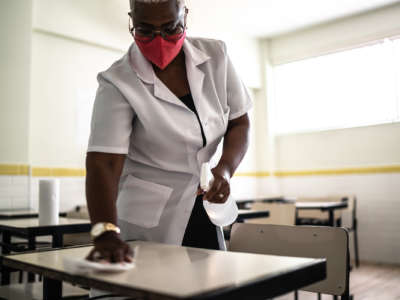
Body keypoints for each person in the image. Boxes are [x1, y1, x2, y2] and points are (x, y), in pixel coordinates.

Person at [85, 0, 252, 266]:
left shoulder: (216, 57)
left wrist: (224, 169)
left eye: (171, 28)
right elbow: (103, 162)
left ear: (185, 16)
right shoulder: (117, 81)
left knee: (213, 288)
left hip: (202, 207)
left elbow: (239, 123)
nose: (160, 40)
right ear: (131, 20)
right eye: (145, 31)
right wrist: (104, 231)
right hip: (148, 219)